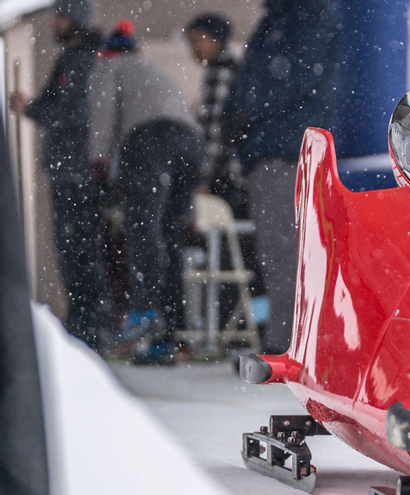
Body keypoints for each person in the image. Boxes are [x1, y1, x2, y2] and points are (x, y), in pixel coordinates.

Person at [223, 0, 340, 354]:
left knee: (285, 250)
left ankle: (289, 346)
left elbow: (289, 77)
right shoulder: (281, 17)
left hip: (285, 149)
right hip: (273, 148)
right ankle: (289, 341)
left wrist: (244, 110)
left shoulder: (307, 16)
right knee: (280, 250)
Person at [88, 20, 204, 365]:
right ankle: (171, 334)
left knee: (142, 231)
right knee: (170, 235)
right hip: (189, 142)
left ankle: (142, 314)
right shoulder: (150, 71)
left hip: (148, 141)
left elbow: (102, 113)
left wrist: (99, 161)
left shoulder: (107, 67)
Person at [9, 0, 112, 350]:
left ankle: (89, 326)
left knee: (79, 250)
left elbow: (73, 113)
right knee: (75, 251)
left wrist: (32, 108)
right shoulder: (74, 56)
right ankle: (85, 323)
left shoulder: (83, 59)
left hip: (77, 172)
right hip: (68, 170)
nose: (56, 21)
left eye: (62, 15)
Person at [184, 12, 247, 217]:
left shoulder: (219, 73)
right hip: (240, 171)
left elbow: (214, 131)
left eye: (196, 40)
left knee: (221, 239)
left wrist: (204, 179)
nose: (193, 49)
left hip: (227, 174)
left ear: (216, 40)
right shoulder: (234, 69)